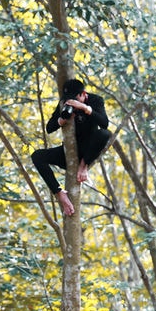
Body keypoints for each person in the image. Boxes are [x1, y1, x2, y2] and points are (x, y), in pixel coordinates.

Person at [31, 78, 111, 216]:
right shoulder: (65, 104)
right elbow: (49, 128)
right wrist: (60, 121)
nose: (71, 102)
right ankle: (60, 193)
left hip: (88, 150)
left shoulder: (95, 100)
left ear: (83, 94)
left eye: (74, 99)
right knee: (37, 156)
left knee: (104, 134)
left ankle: (83, 166)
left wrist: (86, 109)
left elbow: (104, 123)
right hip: (68, 152)